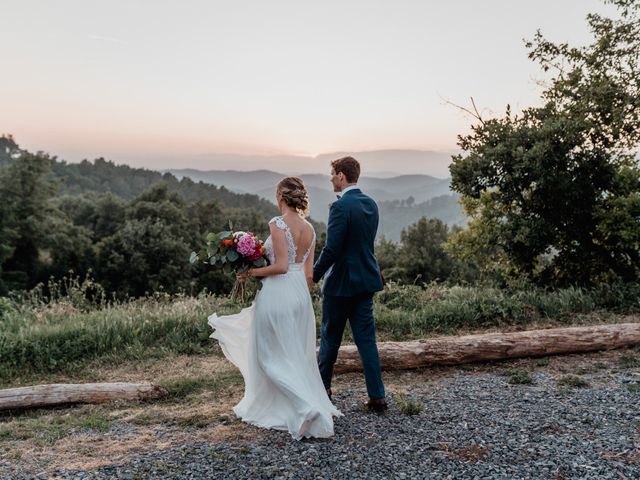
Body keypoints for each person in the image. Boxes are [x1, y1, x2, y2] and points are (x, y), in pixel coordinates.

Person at [208, 176, 341, 440]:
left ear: (280, 196)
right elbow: (308, 274)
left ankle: (305, 406)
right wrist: (298, 295)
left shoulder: (277, 223)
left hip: (278, 292)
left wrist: (251, 272)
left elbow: (280, 266)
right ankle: (295, 405)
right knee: (293, 354)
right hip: (299, 296)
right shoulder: (311, 229)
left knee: (267, 356)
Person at [313, 156, 388, 412]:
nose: (331, 179)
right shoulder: (371, 204)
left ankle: (323, 389)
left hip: (341, 284)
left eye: (332, 174)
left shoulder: (340, 207)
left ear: (342, 176)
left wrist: (313, 274)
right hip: (367, 280)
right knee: (366, 340)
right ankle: (377, 396)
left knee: (330, 337)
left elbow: (331, 249)